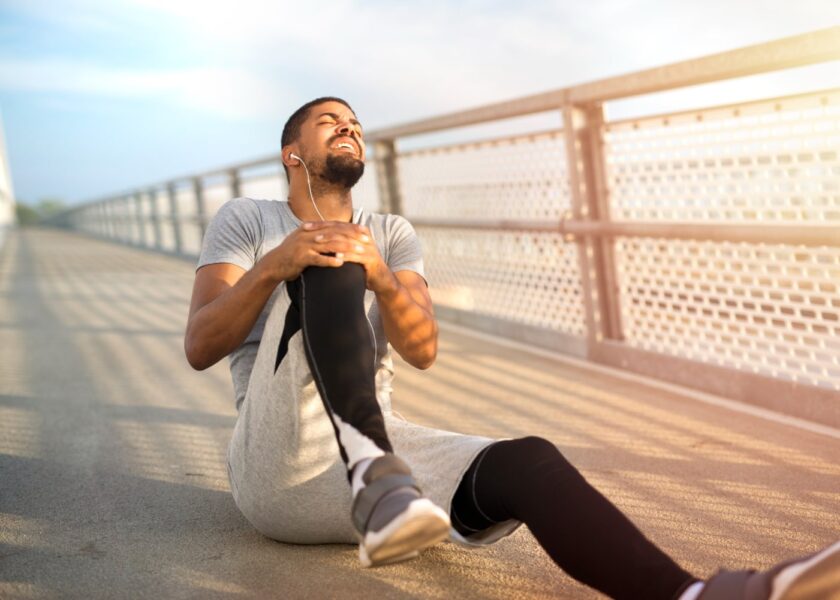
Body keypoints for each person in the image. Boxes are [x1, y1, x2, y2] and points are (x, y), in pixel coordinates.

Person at [184, 96, 839, 599]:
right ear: (291, 152)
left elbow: (422, 349)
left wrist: (380, 274)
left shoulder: (390, 232)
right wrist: (278, 263)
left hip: (385, 474)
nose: (349, 128)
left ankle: (692, 593)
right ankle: (374, 474)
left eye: (354, 122)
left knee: (529, 461)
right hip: (278, 463)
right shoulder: (249, 220)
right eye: (329, 122)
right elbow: (200, 343)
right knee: (329, 251)